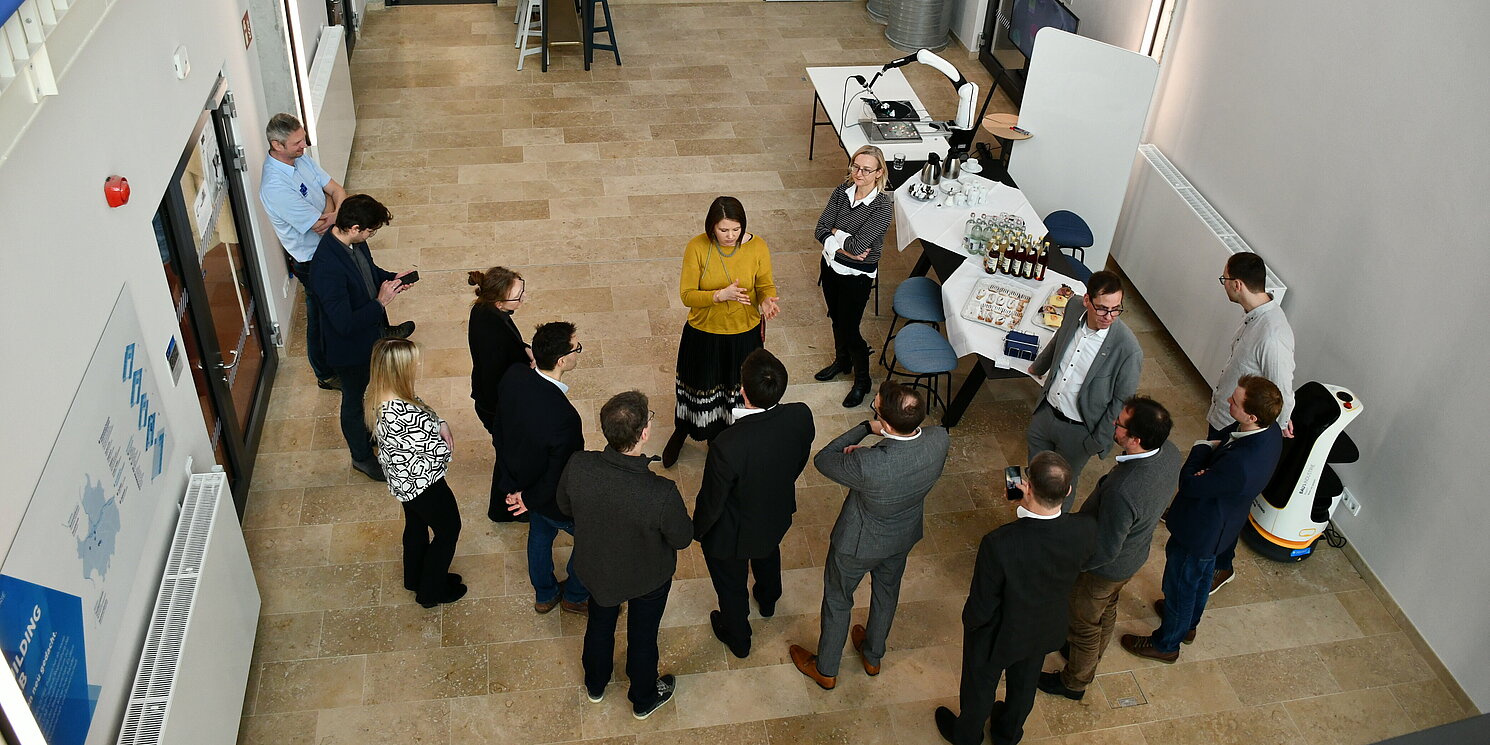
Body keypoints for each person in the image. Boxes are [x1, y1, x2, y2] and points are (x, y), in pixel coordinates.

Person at [790, 382, 950, 690]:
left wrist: (865, 428)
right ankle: (873, 656)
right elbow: (904, 459)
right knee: (887, 592)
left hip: (858, 542)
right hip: (902, 536)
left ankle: (826, 669)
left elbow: (823, 459)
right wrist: (879, 445)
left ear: (885, 424)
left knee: (838, 599)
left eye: (875, 410)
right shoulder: (939, 439)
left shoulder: (869, 463)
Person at [1121, 375, 1284, 664]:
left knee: (1181, 587)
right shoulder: (1269, 431)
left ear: (1252, 416)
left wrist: (1201, 448)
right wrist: (1210, 462)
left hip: (1201, 530)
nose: (1229, 401)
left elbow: (1189, 483)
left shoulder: (1241, 464)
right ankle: (1187, 625)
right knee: (1200, 579)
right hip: (1222, 525)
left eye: (1235, 402)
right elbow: (1226, 437)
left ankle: (1166, 644)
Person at [935, 452, 1097, 745]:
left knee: (979, 687)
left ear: (1028, 487)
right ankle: (1007, 734)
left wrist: (972, 626)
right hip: (1044, 626)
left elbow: (982, 603)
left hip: (998, 633)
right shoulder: (1085, 529)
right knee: (1024, 684)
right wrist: (1027, 509)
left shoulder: (999, 543)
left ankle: (967, 736)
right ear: (1068, 491)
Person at [558, 391, 692, 720]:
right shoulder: (661, 493)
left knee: (599, 625)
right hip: (648, 577)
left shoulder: (579, 464)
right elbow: (682, 538)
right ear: (644, 433)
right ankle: (643, 697)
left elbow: (564, 506)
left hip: (597, 569)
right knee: (643, 637)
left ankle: (595, 684)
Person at [1037, 397, 1181, 702]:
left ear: (1135, 440)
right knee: (1106, 608)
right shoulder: (1168, 452)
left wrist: (1076, 567)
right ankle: (1086, 656)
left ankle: (1074, 682)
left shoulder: (1124, 490)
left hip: (1105, 570)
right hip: (1133, 555)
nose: (1114, 424)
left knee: (1084, 625)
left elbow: (1106, 548)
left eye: (1120, 424)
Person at [693, 349, 815, 658]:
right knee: (767, 552)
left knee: (731, 586)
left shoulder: (727, 445)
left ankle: (739, 639)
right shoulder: (801, 415)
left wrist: (698, 531)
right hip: (775, 514)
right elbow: (799, 460)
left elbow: (713, 501)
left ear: (743, 392)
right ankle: (769, 598)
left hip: (733, 534)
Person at [661, 196, 781, 467]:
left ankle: (723, 438)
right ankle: (683, 429)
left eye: (736, 229)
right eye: (723, 230)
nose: (730, 236)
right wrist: (719, 295)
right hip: (704, 332)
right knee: (697, 385)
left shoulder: (758, 246)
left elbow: (765, 283)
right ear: (711, 227)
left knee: (734, 389)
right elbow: (687, 295)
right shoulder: (697, 247)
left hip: (744, 333)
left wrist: (766, 300)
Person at [310, 194, 417, 481]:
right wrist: (380, 303)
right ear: (354, 227)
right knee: (354, 402)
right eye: (370, 231)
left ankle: (370, 434)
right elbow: (344, 324)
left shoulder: (355, 243)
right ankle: (361, 456)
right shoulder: (326, 267)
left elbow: (368, 271)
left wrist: (393, 278)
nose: (371, 235)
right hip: (350, 351)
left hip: (371, 338)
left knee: (370, 393)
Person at [1207, 252, 1296, 594]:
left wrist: (1281, 425)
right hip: (1225, 415)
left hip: (1237, 428)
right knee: (1211, 480)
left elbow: (1281, 390)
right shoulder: (1253, 317)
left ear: (1238, 285)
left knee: (1228, 505)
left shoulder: (1273, 335)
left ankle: (1222, 565)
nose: (1223, 285)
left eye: (1224, 279)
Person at [1027, 270, 1143, 507]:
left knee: (1062, 487)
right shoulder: (1073, 306)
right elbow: (1060, 338)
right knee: (1035, 474)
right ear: (1087, 300)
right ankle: (1030, 517)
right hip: (1046, 413)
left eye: (1116, 309)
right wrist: (1039, 365)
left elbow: (1122, 401)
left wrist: (1096, 441)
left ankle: (1056, 526)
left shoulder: (1128, 348)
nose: (1109, 316)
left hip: (1079, 432)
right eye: (1102, 308)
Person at [366, 338, 466, 608]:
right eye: (412, 362)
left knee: (416, 525)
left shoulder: (379, 393)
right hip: (424, 484)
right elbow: (439, 452)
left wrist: (440, 422)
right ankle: (431, 591)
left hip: (402, 481)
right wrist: (443, 434)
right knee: (448, 531)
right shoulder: (404, 415)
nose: (418, 364)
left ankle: (414, 578)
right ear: (398, 370)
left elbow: (420, 407)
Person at [499, 321, 589, 615]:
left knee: (539, 534)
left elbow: (501, 432)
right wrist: (528, 499)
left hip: (523, 484)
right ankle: (575, 596)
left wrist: (517, 489)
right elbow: (562, 474)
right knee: (592, 540)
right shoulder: (565, 419)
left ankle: (545, 594)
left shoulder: (513, 376)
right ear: (562, 361)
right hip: (550, 498)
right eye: (576, 348)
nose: (577, 352)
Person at [258, 113, 348, 391]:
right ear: (277, 145)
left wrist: (331, 211)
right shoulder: (275, 186)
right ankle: (325, 374)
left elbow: (337, 189)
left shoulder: (300, 159)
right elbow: (319, 225)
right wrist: (333, 210)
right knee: (321, 317)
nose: (304, 145)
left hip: (332, 245)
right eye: (297, 142)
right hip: (312, 260)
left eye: (303, 139)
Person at [814, 145, 895, 408]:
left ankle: (863, 380)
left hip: (856, 275)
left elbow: (859, 247)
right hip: (830, 266)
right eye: (855, 166)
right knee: (836, 318)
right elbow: (820, 228)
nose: (858, 173)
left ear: (879, 172)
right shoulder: (842, 191)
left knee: (850, 328)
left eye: (866, 169)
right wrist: (841, 246)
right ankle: (842, 361)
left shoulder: (882, 207)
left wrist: (834, 234)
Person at [466, 266, 533, 523]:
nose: (523, 299)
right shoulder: (492, 330)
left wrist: (524, 349)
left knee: (508, 455)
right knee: (510, 458)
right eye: (518, 296)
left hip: (491, 400)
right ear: (499, 302)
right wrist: (528, 368)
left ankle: (502, 507)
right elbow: (502, 375)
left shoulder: (485, 310)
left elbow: (511, 345)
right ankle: (503, 509)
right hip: (496, 407)